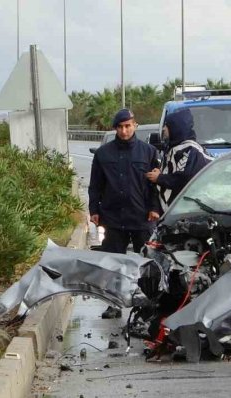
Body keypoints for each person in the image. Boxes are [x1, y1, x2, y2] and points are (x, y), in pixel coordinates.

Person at [88, 108, 162, 319]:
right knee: (113, 264)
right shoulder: (103, 154)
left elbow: (155, 186)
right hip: (113, 217)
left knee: (146, 263)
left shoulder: (148, 152)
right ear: (115, 128)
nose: (124, 131)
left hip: (141, 217)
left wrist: (155, 208)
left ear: (134, 125)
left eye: (128, 126)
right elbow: (95, 185)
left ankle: (149, 305)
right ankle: (114, 303)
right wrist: (94, 210)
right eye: (120, 127)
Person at [146, 108, 213, 202]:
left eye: (166, 126)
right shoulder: (176, 148)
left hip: (188, 205)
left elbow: (185, 179)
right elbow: (174, 171)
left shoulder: (190, 150)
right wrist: (161, 173)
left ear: (175, 128)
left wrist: (159, 178)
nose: (164, 129)